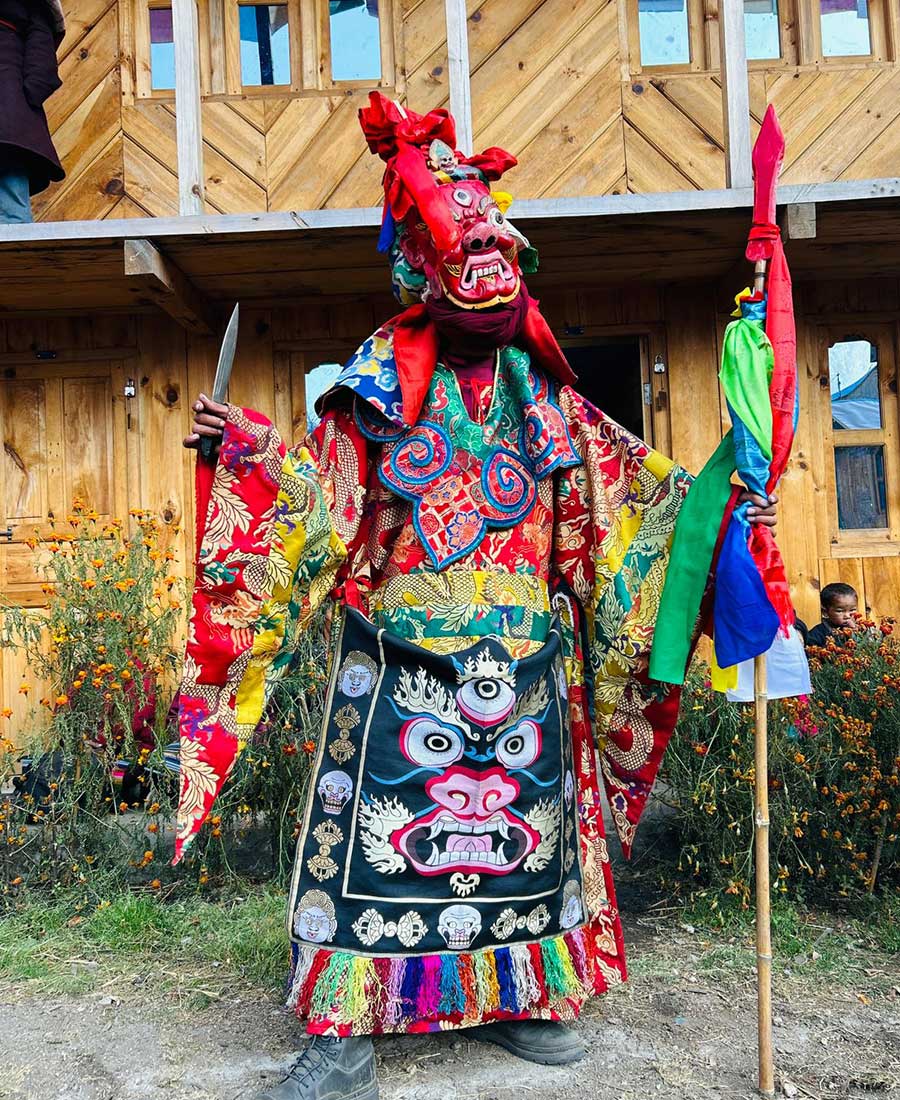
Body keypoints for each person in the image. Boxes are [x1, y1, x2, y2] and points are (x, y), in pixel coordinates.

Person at [179, 94, 778, 1100]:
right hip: (396, 669)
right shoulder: (371, 392)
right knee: (374, 850)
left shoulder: (548, 399)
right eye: (466, 249)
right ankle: (345, 1029)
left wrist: (730, 500)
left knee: (522, 850)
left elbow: (639, 511)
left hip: (524, 671)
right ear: (418, 270)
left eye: (500, 248)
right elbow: (316, 510)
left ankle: (522, 993)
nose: (490, 265)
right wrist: (247, 452)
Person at [0, 0, 65, 223]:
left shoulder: (29, 6)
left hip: (7, 111)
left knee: (10, 209)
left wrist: (27, 94)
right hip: (10, 109)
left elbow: (41, 54)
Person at [806, 582, 858, 648]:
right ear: (825, 612)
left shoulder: (861, 629)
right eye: (840, 611)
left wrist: (856, 633)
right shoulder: (816, 635)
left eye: (852, 610)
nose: (847, 616)